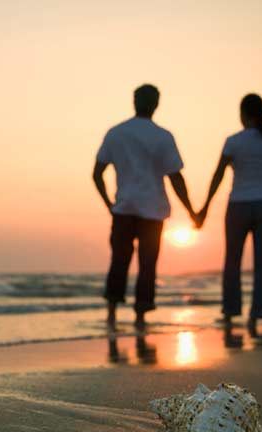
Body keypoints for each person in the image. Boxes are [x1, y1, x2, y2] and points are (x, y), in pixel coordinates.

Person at [93, 84, 198, 331]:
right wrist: (192, 211)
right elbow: (176, 178)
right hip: (153, 210)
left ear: (134, 101)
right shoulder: (163, 136)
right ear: (156, 104)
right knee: (147, 264)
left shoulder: (116, 133)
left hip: (124, 208)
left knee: (119, 260)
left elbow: (96, 173)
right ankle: (140, 318)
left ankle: (112, 315)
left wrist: (109, 202)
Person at [196, 93, 262, 336]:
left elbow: (218, 176)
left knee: (232, 262)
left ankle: (230, 311)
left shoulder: (233, 141)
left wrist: (205, 206)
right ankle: (256, 314)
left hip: (239, 205)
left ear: (243, 114)